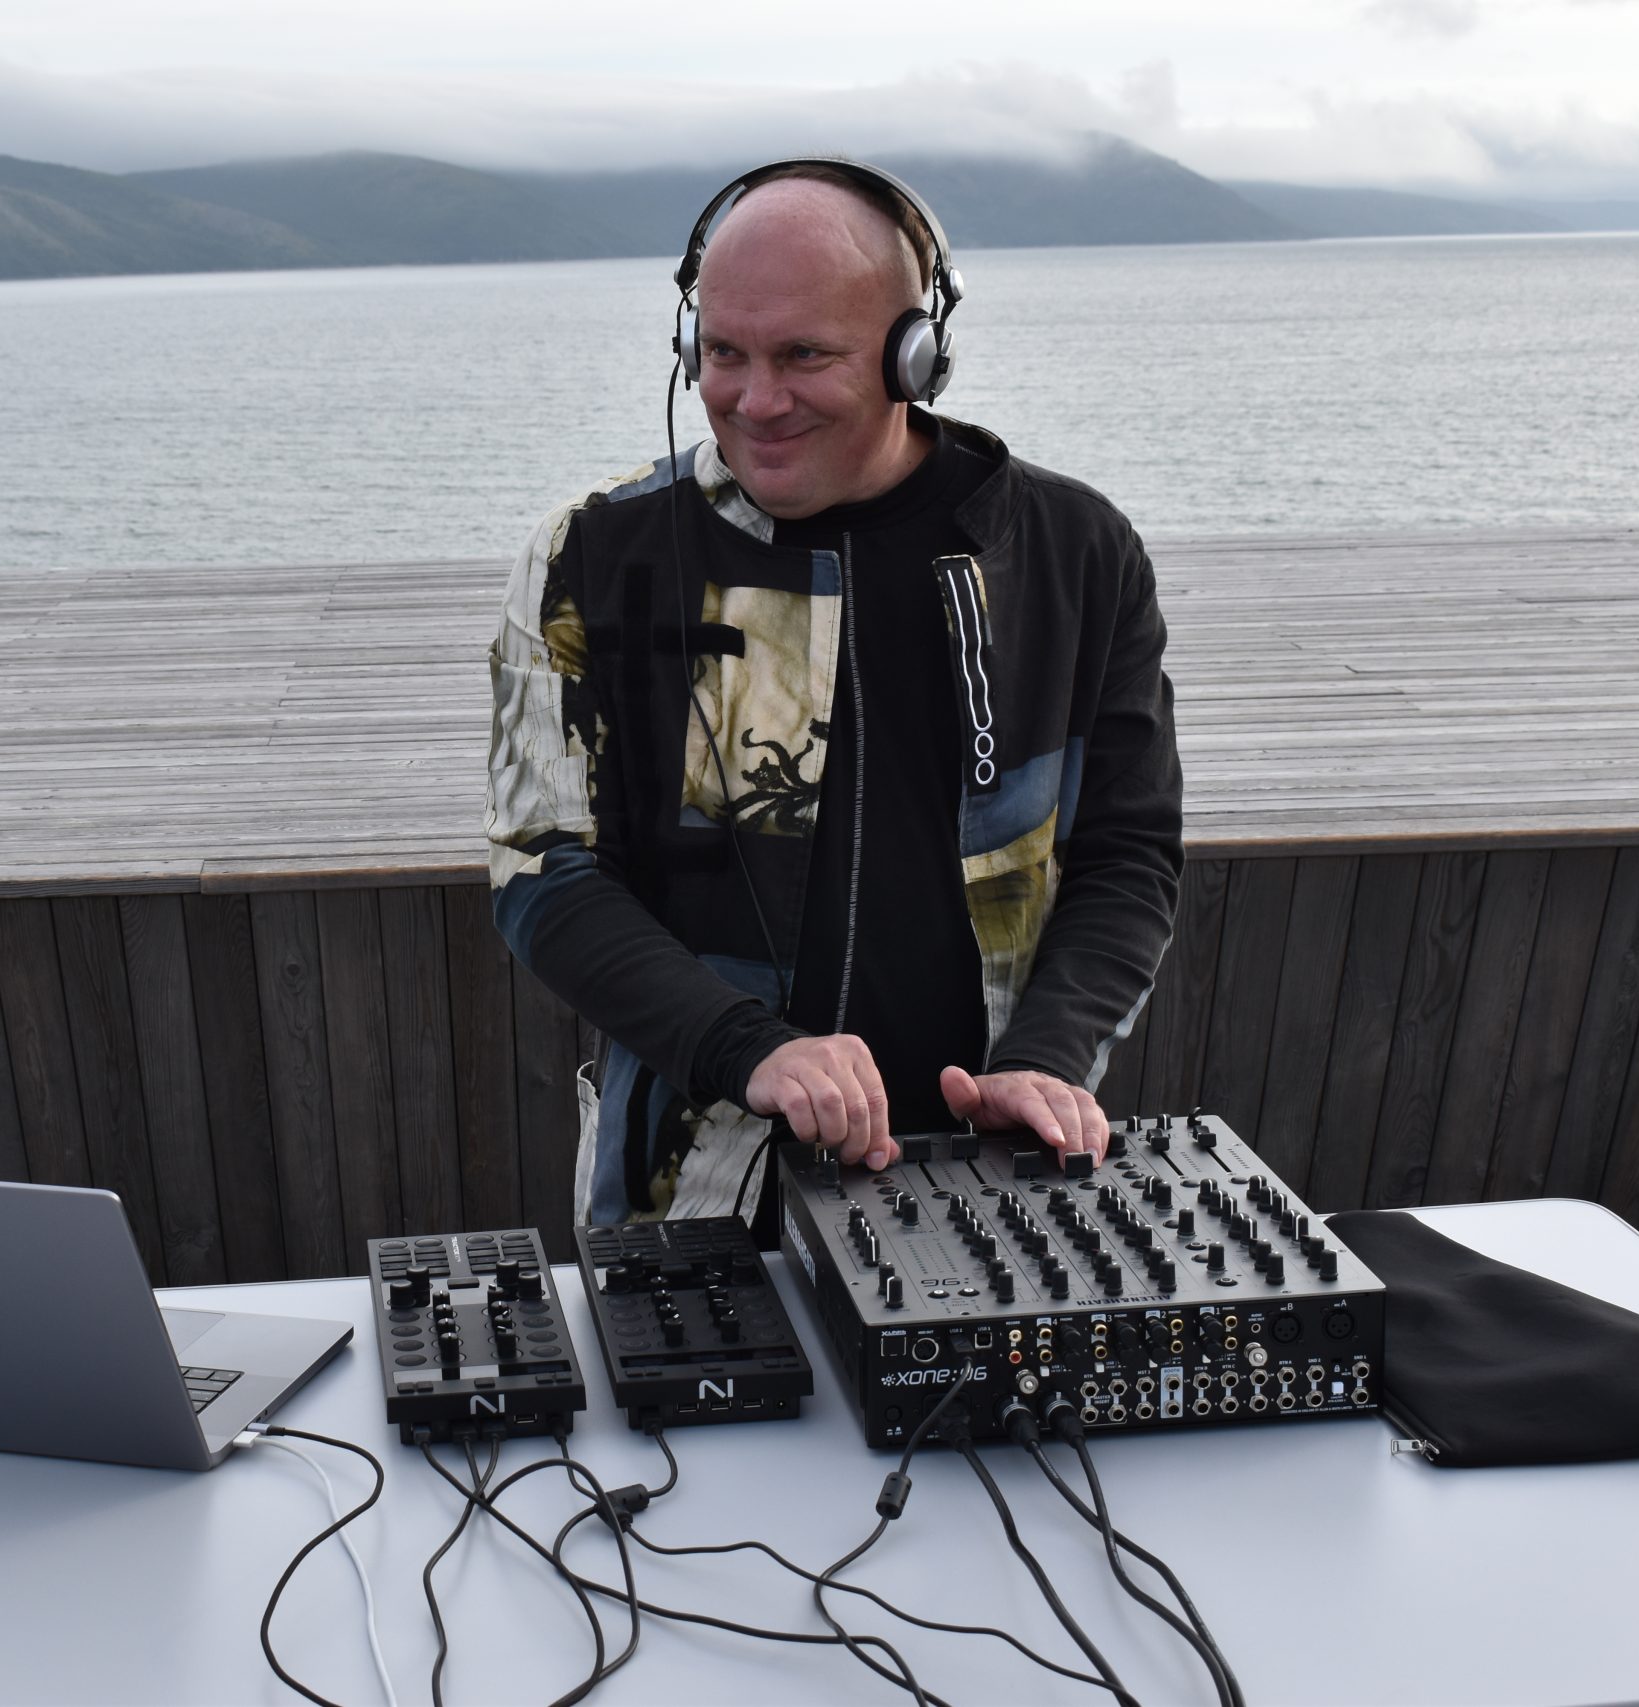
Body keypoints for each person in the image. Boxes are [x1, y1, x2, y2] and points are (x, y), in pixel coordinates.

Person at [486, 158, 1183, 1227]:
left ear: (915, 355)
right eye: (724, 352)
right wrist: (746, 1048)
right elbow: (545, 871)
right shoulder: (588, 555)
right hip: (693, 1194)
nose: (755, 400)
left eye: (804, 355)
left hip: (995, 1177)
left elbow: (1126, 854)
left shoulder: (1075, 551)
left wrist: (1045, 1058)